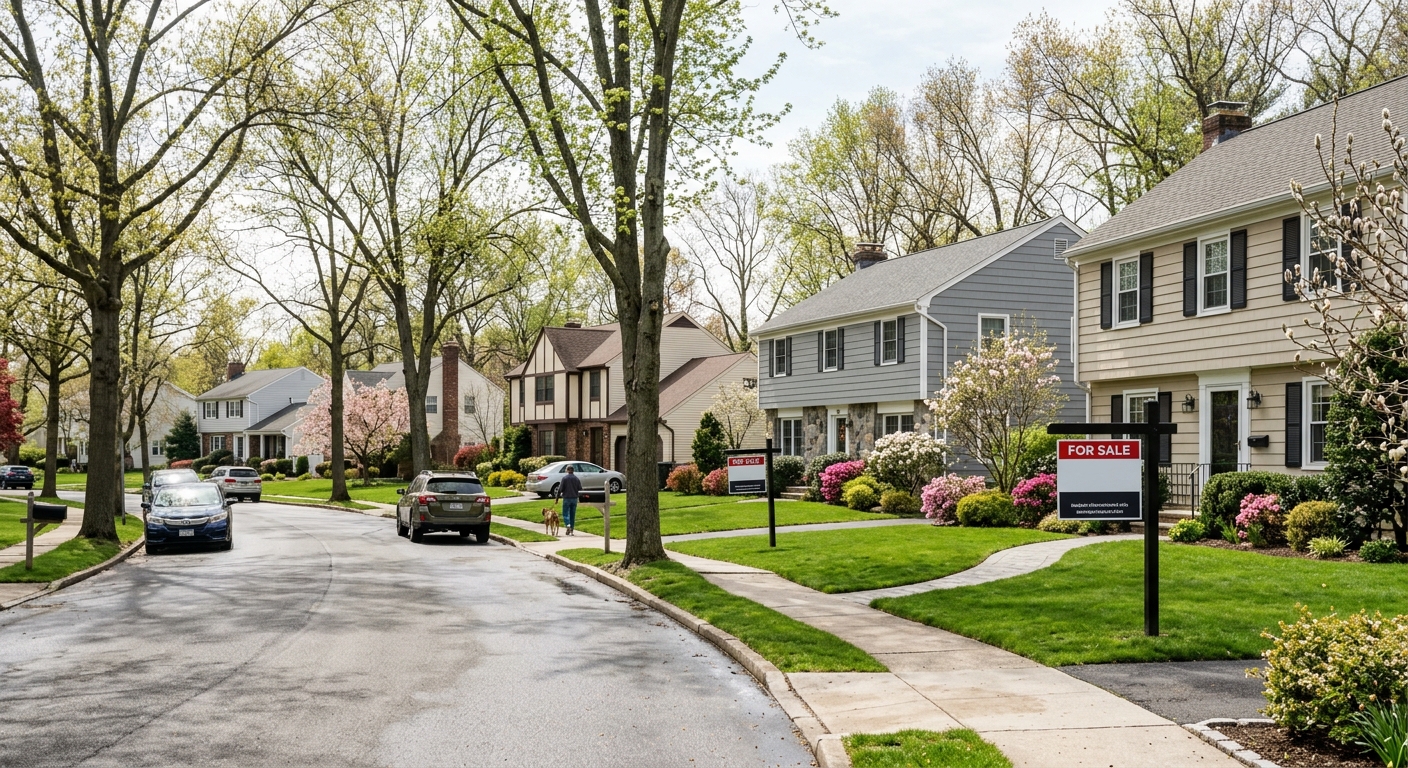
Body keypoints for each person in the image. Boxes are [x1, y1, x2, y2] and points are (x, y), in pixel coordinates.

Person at [557, 464, 583, 536]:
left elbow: (560, 489)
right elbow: (580, 488)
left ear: (567, 470)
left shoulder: (564, 478)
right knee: (572, 514)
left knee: (565, 513)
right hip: (574, 498)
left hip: (566, 498)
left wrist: (557, 498)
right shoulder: (576, 479)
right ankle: (571, 530)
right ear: (573, 470)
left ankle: (568, 524)